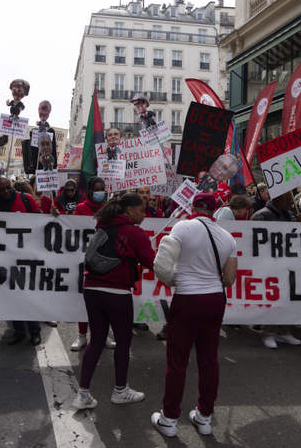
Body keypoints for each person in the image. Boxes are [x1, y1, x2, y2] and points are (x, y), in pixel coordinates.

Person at [149, 193, 237, 437]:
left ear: (193, 206)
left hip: (187, 299)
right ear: (214, 210)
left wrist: (179, 281)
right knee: (209, 359)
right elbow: (229, 278)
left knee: (177, 360)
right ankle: (205, 416)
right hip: (215, 300)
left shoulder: (183, 227)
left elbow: (161, 264)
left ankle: (169, 419)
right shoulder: (227, 237)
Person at [72, 192, 155, 410]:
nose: (144, 215)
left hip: (91, 289)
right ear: (129, 211)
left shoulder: (103, 226)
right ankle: (120, 390)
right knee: (123, 341)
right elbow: (152, 262)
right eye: (141, 210)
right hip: (117, 292)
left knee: (96, 340)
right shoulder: (134, 233)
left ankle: (83, 394)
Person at [0, 176, 43, 345]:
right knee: (11, 294)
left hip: (27, 255)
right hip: (6, 256)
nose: (6, 192)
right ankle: (18, 331)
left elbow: (40, 220)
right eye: (1, 189)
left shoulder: (25, 199)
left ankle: (34, 331)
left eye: (8, 188)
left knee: (28, 294)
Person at [251, 192, 301, 348]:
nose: (291, 203)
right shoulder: (261, 216)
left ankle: (284, 331)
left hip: (289, 264)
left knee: (288, 299)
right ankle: (268, 332)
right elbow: (253, 241)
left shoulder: (290, 214)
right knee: (273, 300)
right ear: (278, 199)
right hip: (270, 266)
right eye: (288, 199)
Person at [71, 177, 113, 351]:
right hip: (84, 261)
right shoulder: (81, 209)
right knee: (85, 301)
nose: (100, 192)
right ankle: (82, 335)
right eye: (97, 189)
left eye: (103, 189)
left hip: (105, 261)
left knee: (105, 300)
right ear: (89, 191)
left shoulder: (110, 209)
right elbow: (71, 230)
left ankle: (103, 335)